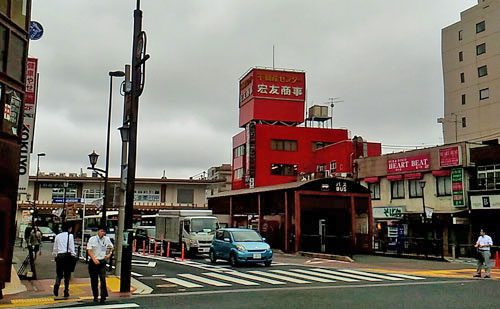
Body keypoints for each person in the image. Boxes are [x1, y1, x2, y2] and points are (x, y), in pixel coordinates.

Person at [87, 226, 114, 304]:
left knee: (103, 279)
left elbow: (111, 247)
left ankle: (103, 296)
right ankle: (95, 296)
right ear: (98, 231)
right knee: (94, 280)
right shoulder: (92, 239)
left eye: (104, 231)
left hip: (102, 261)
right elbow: (89, 250)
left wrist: (109, 254)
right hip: (93, 262)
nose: (103, 233)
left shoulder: (107, 239)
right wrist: (94, 259)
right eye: (101, 231)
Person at [52, 223, 76, 298]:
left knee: (59, 274)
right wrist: (73, 254)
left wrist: (55, 255)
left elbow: (55, 248)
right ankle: (66, 291)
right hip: (67, 256)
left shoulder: (57, 236)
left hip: (59, 256)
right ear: (69, 228)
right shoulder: (70, 236)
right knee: (67, 275)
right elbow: (71, 247)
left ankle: (57, 284)